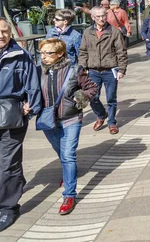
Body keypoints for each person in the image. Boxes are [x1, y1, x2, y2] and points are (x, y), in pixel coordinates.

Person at [36, 38, 97, 215]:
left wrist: (79, 98)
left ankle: (69, 195)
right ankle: (70, 172)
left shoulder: (75, 70)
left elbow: (92, 88)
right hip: (48, 121)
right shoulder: (38, 71)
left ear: (60, 53)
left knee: (68, 155)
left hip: (71, 118)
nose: (44, 57)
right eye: (42, 53)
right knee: (62, 154)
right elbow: (31, 91)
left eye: (48, 53)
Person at [0, 18, 42, 232]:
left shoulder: (20, 56)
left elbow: (33, 85)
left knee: (8, 163)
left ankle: (8, 207)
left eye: (5, 31)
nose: (1, 35)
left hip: (11, 115)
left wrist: (31, 106)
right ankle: (14, 183)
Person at [79, 6, 128, 135]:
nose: (101, 18)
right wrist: (83, 68)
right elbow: (83, 51)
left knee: (111, 97)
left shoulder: (114, 32)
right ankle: (101, 115)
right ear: (93, 17)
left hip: (110, 70)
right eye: (98, 16)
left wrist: (121, 69)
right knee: (92, 97)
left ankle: (112, 122)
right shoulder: (87, 32)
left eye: (103, 15)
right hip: (93, 71)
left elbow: (121, 52)